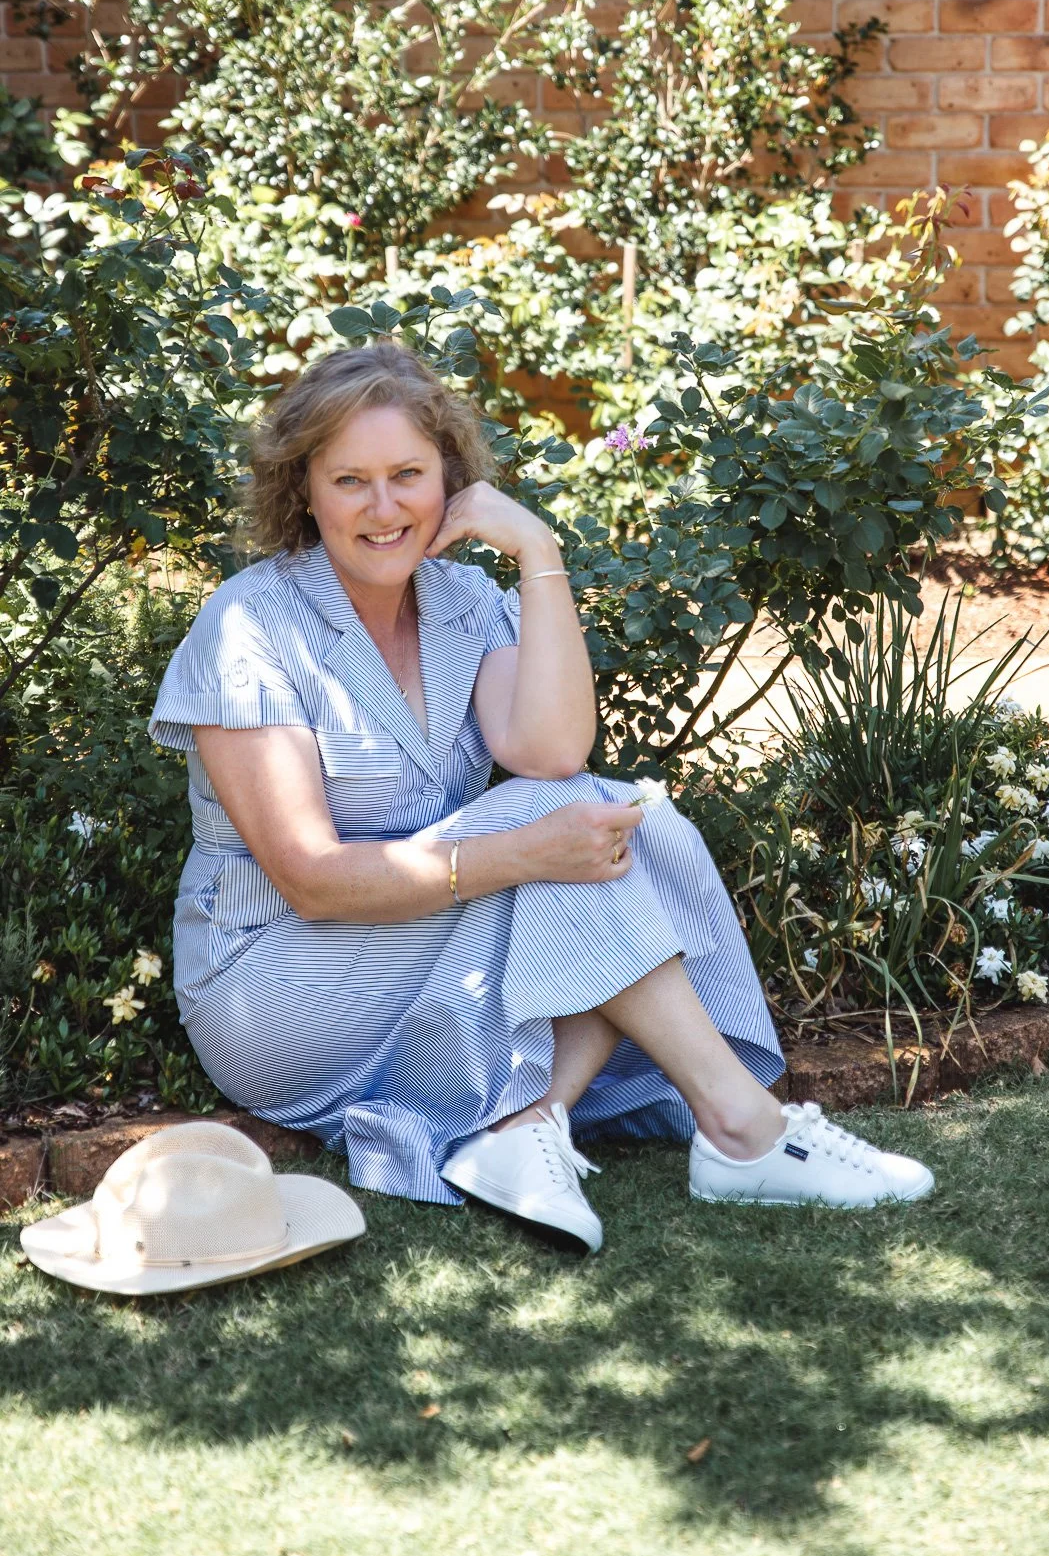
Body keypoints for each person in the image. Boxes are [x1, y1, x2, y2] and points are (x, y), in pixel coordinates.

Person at [149, 341, 934, 1254]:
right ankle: (743, 1129)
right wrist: (527, 852)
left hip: (411, 949)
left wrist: (537, 548)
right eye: (349, 480)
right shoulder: (251, 624)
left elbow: (553, 748)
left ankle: (527, 1122)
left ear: (451, 480)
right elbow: (313, 879)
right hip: (274, 986)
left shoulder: (461, 601)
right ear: (304, 490)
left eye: (408, 474)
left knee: (628, 819)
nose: (383, 506)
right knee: (554, 826)